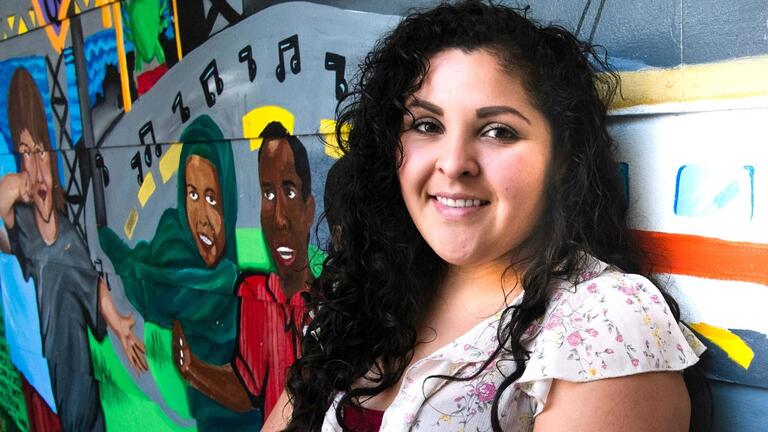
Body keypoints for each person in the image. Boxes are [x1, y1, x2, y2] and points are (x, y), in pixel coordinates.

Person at [264, 2, 706, 431]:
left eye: (498, 131)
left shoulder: (604, 323)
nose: (454, 163)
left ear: (563, 159)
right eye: (426, 125)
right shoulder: (368, 293)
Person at [0, 67, 147, 432]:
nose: (36, 166)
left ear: (52, 157)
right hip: (49, 366)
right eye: (25, 154)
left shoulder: (67, 230)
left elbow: (92, 282)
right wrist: (21, 182)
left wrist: (119, 324)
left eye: (39, 152)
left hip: (80, 366)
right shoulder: (25, 229)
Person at [99, 115, 261, 430]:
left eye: (212, 198)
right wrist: (102, 237)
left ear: (227, 200)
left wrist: (194, 370)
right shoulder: (171, 257)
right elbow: (135, 269)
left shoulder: (245, 292)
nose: (201, 216)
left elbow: (253, 390)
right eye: (192, 194)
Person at [172, 121, 316, 420]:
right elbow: (249, 388)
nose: (279, 218)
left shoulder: (330, 305)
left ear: (309, 208)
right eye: (268, 194)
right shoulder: (255, 294)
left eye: (289, 192)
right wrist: (193, 370)